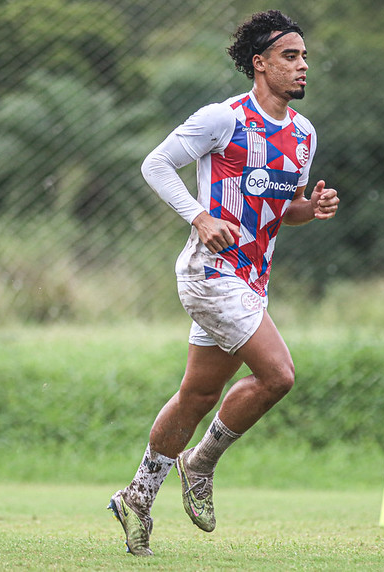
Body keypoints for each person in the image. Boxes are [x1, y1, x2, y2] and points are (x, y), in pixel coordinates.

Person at [108, 10, 339, 556]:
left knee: (198, 395)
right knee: (279, 375)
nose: (302, 66)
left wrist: (313, 207)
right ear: (259, 65)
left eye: (304, 57)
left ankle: (137, 497)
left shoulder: (303, 135)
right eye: (290, 57)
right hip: (211, 274)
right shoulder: (223, 119)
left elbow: (283, 213)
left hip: (251, 281)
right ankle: (201, 462)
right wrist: (199, 216)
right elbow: (156, 164)